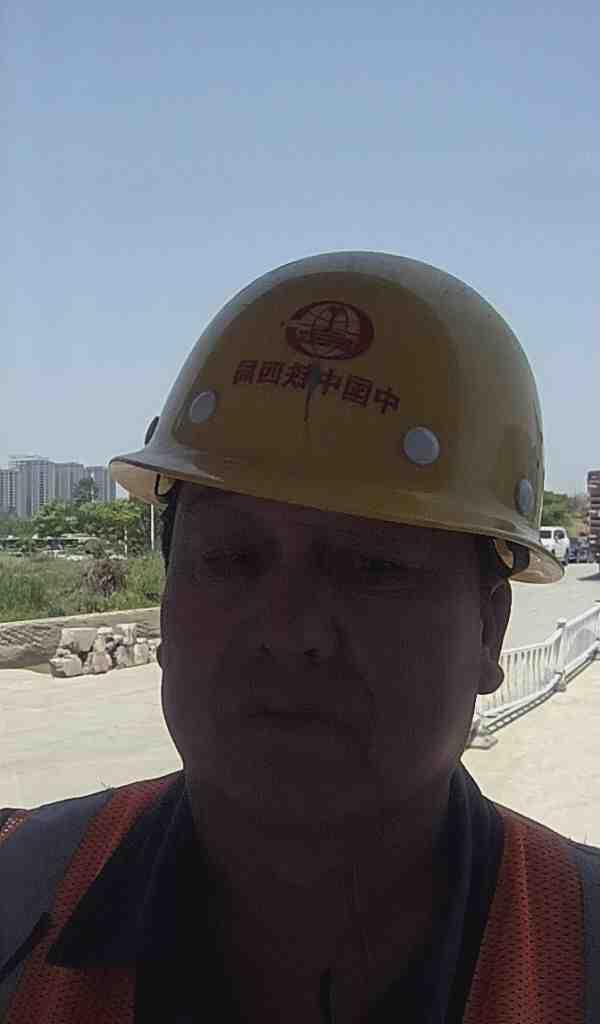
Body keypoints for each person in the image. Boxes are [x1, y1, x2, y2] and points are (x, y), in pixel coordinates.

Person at [1, 252, 598, 1023]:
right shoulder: (21, 896)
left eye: (372, 566)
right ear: (170, 602)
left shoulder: (575, 950)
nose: (289, 631)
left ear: (490, 629)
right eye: (232, 558)